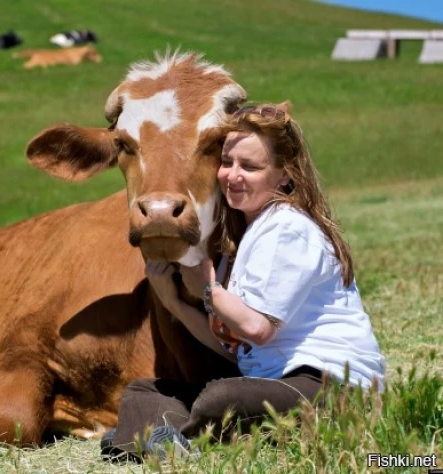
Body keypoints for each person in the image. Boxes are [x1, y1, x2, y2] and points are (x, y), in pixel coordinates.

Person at [101, 102, 386, 461]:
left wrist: (207, 287)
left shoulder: (288, 227)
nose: (232, 175)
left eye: (249, 166)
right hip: (272, 383)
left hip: (330, 387)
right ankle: (164, 438)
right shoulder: (246, 232)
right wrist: (173, 301)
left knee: (221, 397)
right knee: (143, 390)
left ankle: (148, 436)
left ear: (284, 175)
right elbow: (234, 348)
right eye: (227, 162)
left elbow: (257, 329)